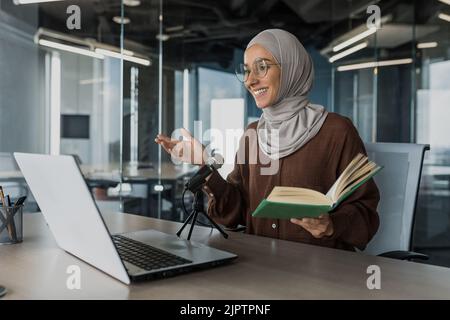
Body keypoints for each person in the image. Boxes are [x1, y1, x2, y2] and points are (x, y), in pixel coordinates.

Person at [155, 29, 380, 251]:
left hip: (319, 274)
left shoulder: (337, 131)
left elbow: (366, 217)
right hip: (259, 268)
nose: (250, 81)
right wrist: (203, 163)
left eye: (261, 67)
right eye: (246, 71)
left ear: (291, 68)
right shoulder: (252, 135)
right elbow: (234, 214)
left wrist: (331, 225)